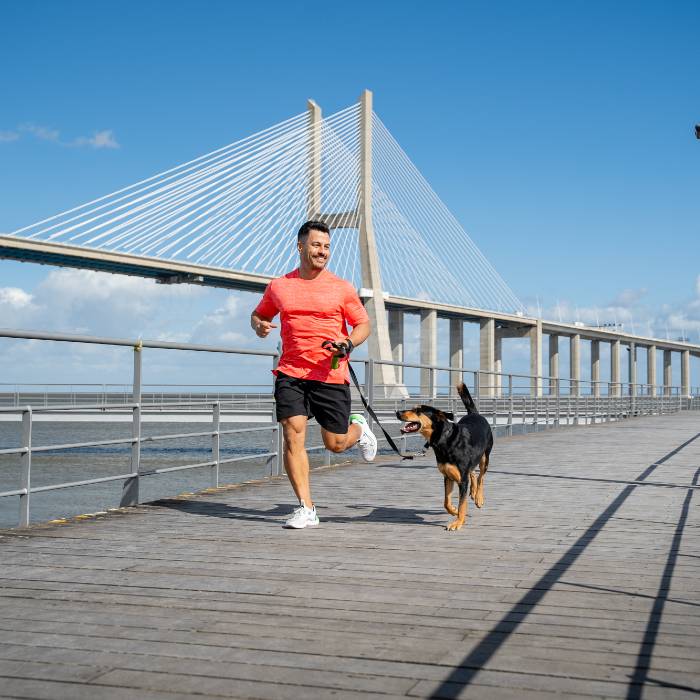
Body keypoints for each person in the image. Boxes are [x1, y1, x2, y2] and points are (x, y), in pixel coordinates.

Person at [250, 220, 378, 529]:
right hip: (290, 372)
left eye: (326, 247)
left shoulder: (341, 288)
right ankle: (306, 508)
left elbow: (364, 324)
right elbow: (260, 314)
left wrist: (347, 342)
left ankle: (358, 428)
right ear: (300, 247)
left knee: (335, 443)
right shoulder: (279, 286)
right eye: (316, 245)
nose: (322, 252)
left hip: (329, 373)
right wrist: (260, 326)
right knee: (292, 433)